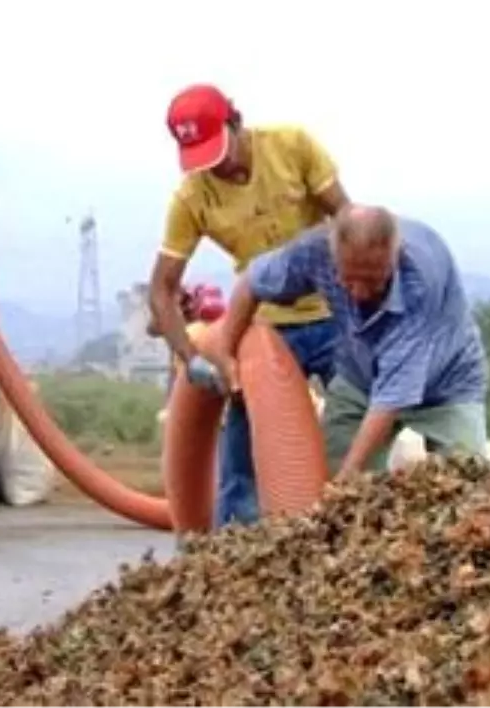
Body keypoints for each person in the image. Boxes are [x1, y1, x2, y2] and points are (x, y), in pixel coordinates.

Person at [147, 83, 350, 526]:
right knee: (243, 451)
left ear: (235, 123)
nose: (215, 166)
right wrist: (191, 358)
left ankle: (354, 531)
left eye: (218, 150)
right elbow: (162, 288)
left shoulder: (291, 147)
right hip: (266, 327)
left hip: (335, 314)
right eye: (200, 157)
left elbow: (347, 218)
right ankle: (231, 556)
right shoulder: (192, 198)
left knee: (357, 427)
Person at [209, 205, 489, 477]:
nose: (360, 293)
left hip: (447, 385)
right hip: (360, 376)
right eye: (349, 279)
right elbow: (251, 284)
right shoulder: (315, 252)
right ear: (334, 256)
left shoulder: (419, 281)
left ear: (393, 257)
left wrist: (348, 479)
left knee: (467, 484)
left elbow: (391, 397)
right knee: (327, 475)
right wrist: (224, 352)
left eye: (373, 280)